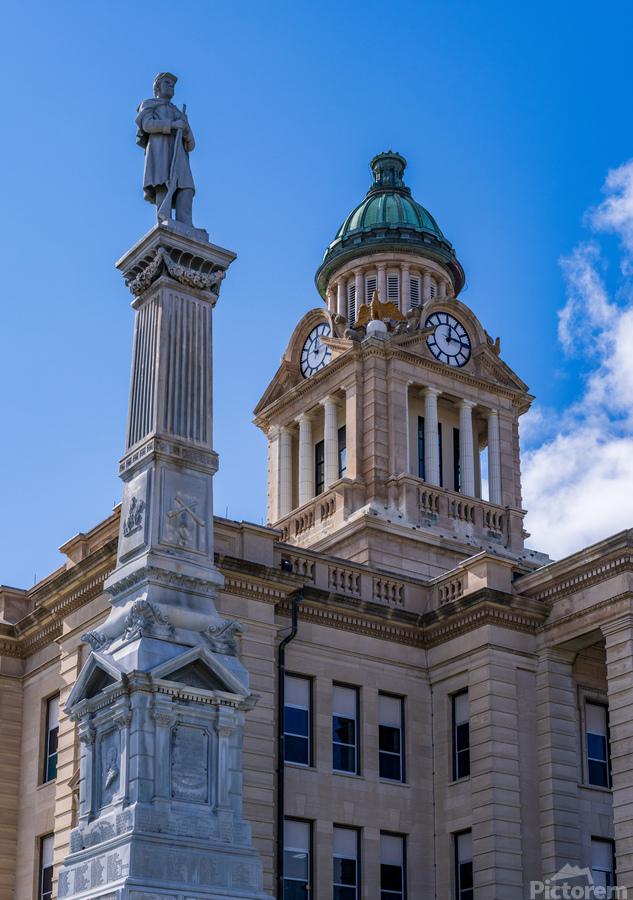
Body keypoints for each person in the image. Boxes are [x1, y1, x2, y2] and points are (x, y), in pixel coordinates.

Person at [136, 73, 195, 225]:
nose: (171, 86)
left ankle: (186, 223)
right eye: (167, 82)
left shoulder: (178, 113)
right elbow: (147, 125)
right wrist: (173, 125)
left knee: (186, 188)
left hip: (179, 155)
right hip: (159, 152)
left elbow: (192, 145)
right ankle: (164, 222)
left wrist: (186, 131)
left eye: (173, 84)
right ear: (157, 87)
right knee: (162, 185)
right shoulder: (149, 104)